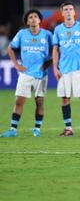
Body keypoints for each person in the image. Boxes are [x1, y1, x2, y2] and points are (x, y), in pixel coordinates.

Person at [0, 9, 52, 137]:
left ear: (40, 20)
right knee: (19, 101)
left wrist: (48, 63)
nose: (33, 19)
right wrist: (17, 65)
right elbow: (10, 48)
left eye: (35, 16)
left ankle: (37, 129)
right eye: (30, 17)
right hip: (26, 73)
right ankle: (13, 129)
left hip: (41, 74)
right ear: (27, 21)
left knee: (39, 101)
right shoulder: (22, 34)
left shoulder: (47, 35)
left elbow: (56, 50)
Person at [52, 2, 80, 137]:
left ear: (75, 12)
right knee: (65, 98)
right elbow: (55, 49)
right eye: (66, 9)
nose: (69, 12)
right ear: (62, 12)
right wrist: (55, 67)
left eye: (71, 9)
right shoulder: (58, 29)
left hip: (79, 69)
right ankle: (68, 128)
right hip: (64, 70)